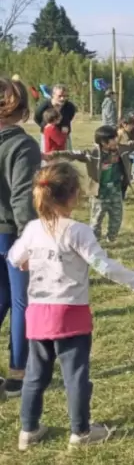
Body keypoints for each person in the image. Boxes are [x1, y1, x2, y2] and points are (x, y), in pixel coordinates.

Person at [12, 162, 134, 450]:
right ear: (74, 195)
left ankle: (28, 430)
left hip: (38, 313)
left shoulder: (31, 229)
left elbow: (15, 258)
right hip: (70, 313)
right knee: (75, 375)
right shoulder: (78, 231)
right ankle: (81, 431)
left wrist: (29, 261)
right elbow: (103, 265)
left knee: (36, 374)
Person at [0, 77, 41, 397]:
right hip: (11, 233)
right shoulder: (22, 145)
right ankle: (19, 373)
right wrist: (31, 241)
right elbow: (22, 199)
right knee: (21, 302)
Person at [45, 125, 134, 243]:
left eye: (116, 138)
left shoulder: (120, 149)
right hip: (100, 194)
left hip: (115, 191)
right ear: (103, 142)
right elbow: (72, 153)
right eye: (113, 139)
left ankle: (111, 238)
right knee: (96, 221)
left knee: (116, 220)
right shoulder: (92, 154)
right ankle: (94, 242)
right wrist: (53, 154)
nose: (116, 141)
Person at [34, 84, 77, 151]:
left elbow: (70, 117)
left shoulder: (70, 107)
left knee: (66, 158)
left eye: (65, 96)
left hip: (64, 137)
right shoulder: (44, 107)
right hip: (48, 137)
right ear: (53, 95)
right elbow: (37, 117)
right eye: (60, 96)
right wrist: (47, 127)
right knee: (48, 159)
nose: (62, 98)